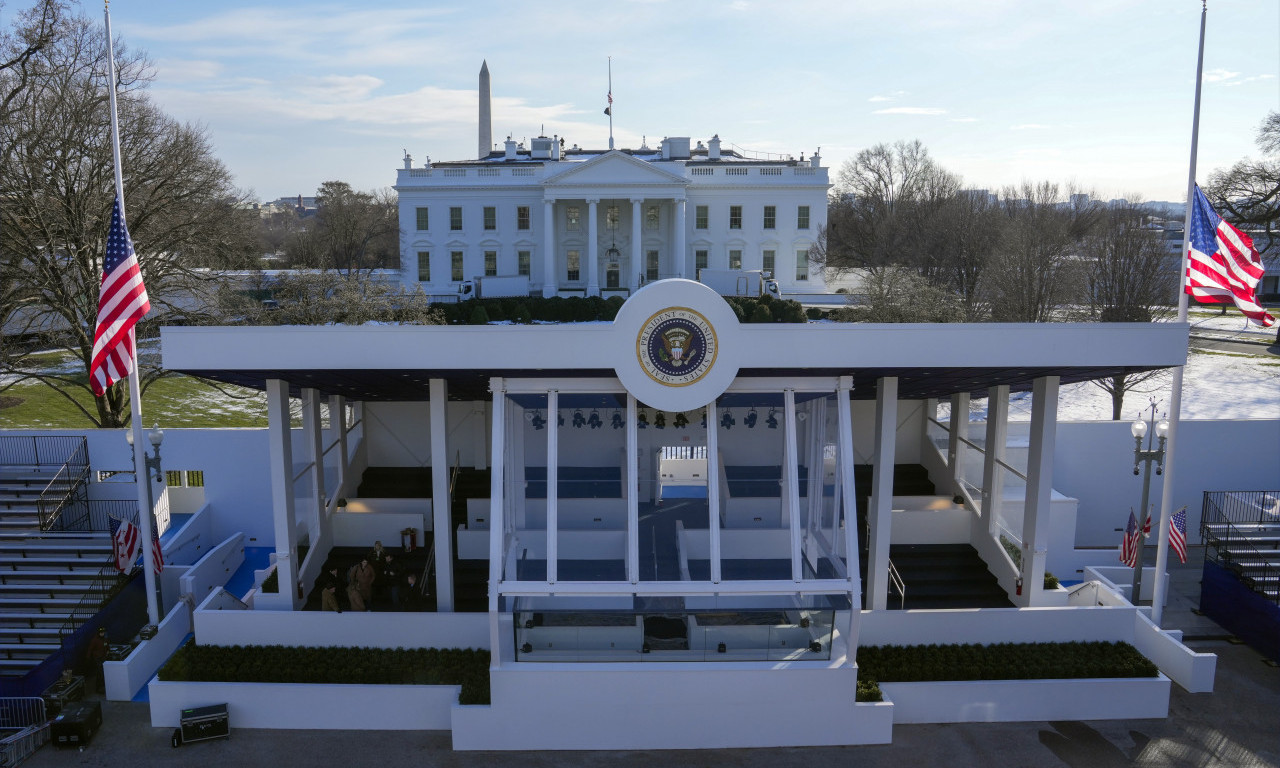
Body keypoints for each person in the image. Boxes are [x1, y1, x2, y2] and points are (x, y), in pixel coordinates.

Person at [85, 627, 109, 693]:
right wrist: (88, 658)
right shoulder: (94, 640)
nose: (102, 633)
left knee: (102, 672)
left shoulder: (105, 639)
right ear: (98, 633)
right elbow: (90, 649)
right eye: (101, 632)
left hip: (103, 657)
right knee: (100, 672)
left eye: (103, 632)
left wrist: (107, 651)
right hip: (97, 658)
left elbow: (106, 646)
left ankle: (101, 686)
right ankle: (99, 688)